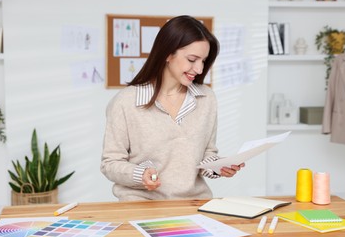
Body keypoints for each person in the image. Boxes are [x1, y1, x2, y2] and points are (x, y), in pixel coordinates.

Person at [101, 15, 245, 201]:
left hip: (194, 203)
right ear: (168, 53)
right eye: (192, 59)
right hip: (142, 205)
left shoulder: (206, 99)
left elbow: (207, 154)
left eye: (204, 61)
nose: (200, 69)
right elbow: (110, 163)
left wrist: (219, 166)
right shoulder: (126, 102)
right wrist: (140, 175)